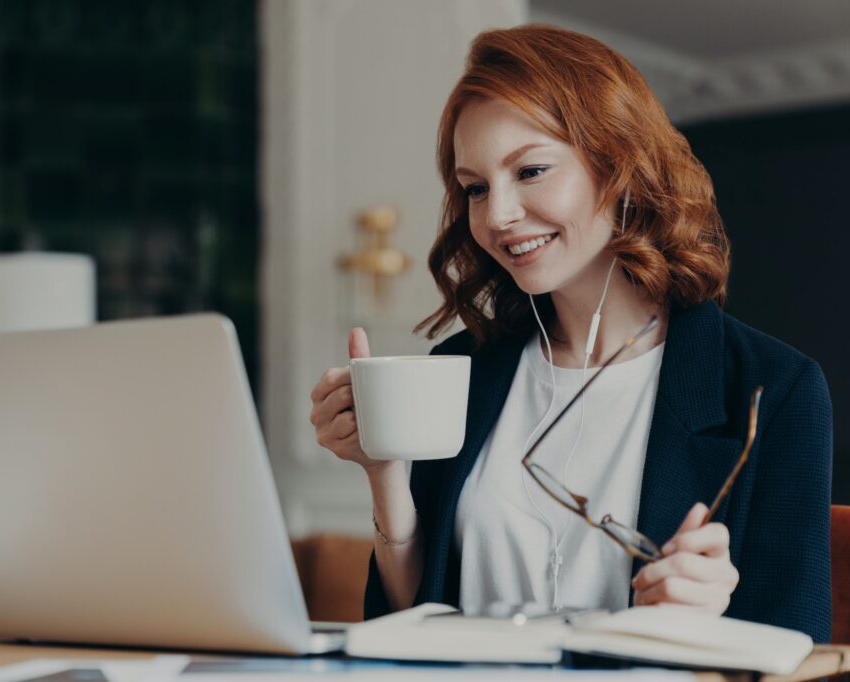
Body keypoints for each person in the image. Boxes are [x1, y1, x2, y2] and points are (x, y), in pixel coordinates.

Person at [308, 25, 833, 642]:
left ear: (620, 166)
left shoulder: (774, 389)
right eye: (475, 188)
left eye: (529, 170)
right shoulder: (460, 373)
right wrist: (385, 475)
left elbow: (800, 650)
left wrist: (709, 622)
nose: (497, 216)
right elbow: (406, 626)